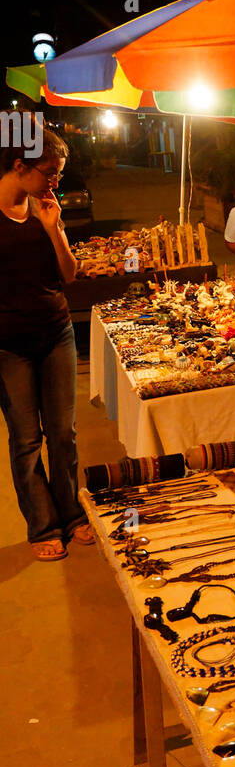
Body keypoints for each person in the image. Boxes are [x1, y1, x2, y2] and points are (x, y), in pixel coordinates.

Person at [0, 125, 94, 561]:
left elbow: (70, 274)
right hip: (9, 346)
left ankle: (72, 514)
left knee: (63, 433)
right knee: (25, 439)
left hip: (57, 331)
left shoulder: (45, 208)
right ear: (19, 167)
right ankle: (42, 525)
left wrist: (54, 229)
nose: (55, 182)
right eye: (49, 172)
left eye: (58, 173)